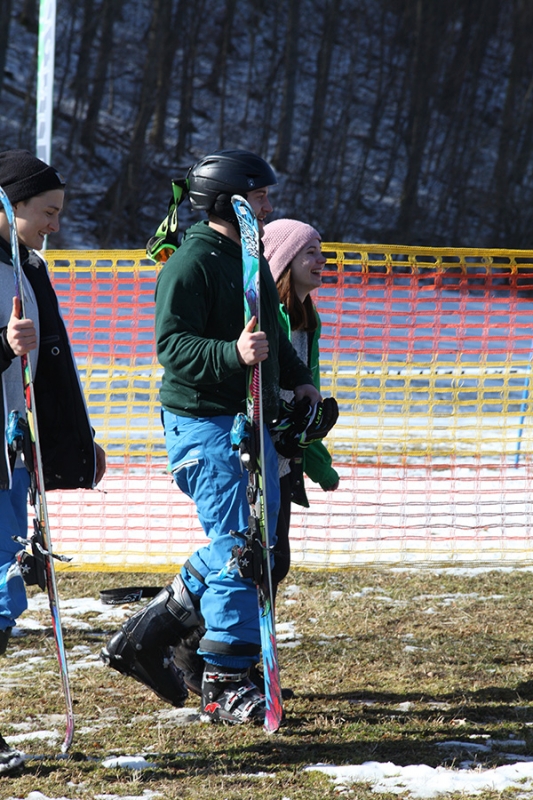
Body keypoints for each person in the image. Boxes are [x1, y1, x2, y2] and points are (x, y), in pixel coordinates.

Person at [102, 150, 321, 724]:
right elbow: (172, 348)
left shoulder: (247, 258)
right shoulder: (193, 262)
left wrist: (300, 383)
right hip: (205, 424)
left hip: (251, 422)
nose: (270, 206)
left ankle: (150, 637)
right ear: (229, 200)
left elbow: (272, 331)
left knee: (255, 548)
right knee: (239, 549)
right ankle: (225, 682)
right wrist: (232, 354)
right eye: (261, 196)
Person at [0, 149, 106, 773]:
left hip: (14, 451)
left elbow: (53, 369)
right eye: (47, 212)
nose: (55, 225)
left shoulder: (31, 267)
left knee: (8, 589)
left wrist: (68, 444)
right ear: (8, 204)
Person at [262, 219, 340, 594]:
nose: (321, 259)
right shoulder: (266, 317)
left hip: (285, 456)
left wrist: (318, 463)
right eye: (310, 252)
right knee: (258, 560)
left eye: (320, 251)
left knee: (276, 562)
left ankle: (258, 646)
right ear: (282, 261)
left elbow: (307, 404)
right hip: (256, 453)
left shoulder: (307, 322)